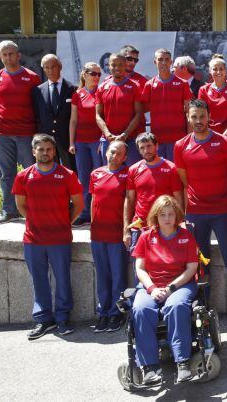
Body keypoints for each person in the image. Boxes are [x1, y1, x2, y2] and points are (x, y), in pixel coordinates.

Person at [174, 99, 227, 325]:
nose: (199, 121)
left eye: (202, 116)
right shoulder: (180, 146)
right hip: (196, 213)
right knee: (199, 262)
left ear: (209, 116)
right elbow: (185, 181)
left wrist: (225, 196)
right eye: (194, 117)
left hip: (223, 211)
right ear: (187, 117)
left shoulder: (223, 142)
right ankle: (201, 310)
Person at [12, 134, 84, 340]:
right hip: (33, 239)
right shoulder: (23, 176)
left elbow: (78, 204)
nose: (45, 153)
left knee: (62, 280)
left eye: (49, 149)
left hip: (60, 238)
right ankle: (43, 320)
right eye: (41, 149)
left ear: (54, 151)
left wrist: (64, 222)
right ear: (33, 151)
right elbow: (21, 205)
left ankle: (62, 318)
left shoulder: (68, 174)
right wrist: (36, 221)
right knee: (39, 280)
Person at [131, 195, 199, 385]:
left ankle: (182, 362)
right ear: (156, 216)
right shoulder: (146, 237)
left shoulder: (186, 236)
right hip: (151, 284)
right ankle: (150, 367)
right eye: (162, 215)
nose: (167, 218)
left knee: (176, 306)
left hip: (179, 284)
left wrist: (170, 288)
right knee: (140, 309)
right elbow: (140, 269)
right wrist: (152, 289)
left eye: (170, 214)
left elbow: (191, 268)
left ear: (177, 216)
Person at [0, 40, 41, 224]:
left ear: (18, 55)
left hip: (27, 133)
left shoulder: (32, 77)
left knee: (31, 173)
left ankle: (33, 210)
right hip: (2, 134)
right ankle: (9, 211)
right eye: (5, 54)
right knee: (7, 174)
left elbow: (37, 106)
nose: (8, 57)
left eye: (11, 54)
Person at [88, 140, 129, 333]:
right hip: (98, 234)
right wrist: (91, 225)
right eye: (112, 152)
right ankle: (103, 312)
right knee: (102, 276)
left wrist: (126, 230)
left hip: (116, 233)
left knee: (118, 276)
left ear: (124, 158)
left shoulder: (127, 175)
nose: (114, 156)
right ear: (106, 153)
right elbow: (93, 200)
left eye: (119, 153)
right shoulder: (95, 174)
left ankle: (116, 313)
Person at [123, 133, 183, 253]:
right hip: (139, 226)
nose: (146, 150)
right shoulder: (133, 170)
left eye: (149, 146)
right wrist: (126, 229)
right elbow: (129, 200)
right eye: (142, 147)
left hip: (165, 227)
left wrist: (179, 223)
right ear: (138, 150)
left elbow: (178, 198)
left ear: (157, 146)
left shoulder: (171, 168)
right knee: (139, 268)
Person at [140, 48, 192, 161]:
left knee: (177, 172)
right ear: (155, 62)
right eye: (160, 59)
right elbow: (140, 110)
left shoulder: (183, 84)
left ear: (171, 62)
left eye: (167, 59)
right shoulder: (149, 85)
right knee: (161, 173)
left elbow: (189, 112)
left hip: (178, 139)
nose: (163, 62)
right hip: (157, 140)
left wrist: (189, 137)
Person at [69, 62, 104, 227]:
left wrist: (103, 139)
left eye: (99, 74)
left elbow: (105, 118)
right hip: (81, 142)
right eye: (93, 73)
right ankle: (83, 213)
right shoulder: (78, 94)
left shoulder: (103, 91)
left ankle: (97, 212)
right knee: (83, 178)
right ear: (84, 74)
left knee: (98, 178)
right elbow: (73, 120)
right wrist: (71, 142)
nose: (96, 77)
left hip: (97, 141)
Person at [95, 53, 144, 166]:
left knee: (132, 173)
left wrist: (125, 134)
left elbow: (138, 113)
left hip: (131, 139)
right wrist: (107, 134)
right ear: (109, 66)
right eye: (114, 65)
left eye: (120, 64)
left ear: (125, 65)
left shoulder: (134, 86)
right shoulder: (102, 87)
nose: (117, 68)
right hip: (108, 140)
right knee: (110, 174)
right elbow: (98, 115)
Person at [32, 54, 76, 170]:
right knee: (49, 170)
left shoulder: (73, 89)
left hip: (67, 139)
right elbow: (37, 115)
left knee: (71, 171)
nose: (50, 70)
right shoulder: (38, 91)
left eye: (53, 67)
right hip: (46, 140)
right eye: (47, 68)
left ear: (60, 67)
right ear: (43, 69)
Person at [198, 56, 227, 139]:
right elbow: (201, 114)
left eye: (221, 69)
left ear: (225, 71)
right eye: (215, 69)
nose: (218, 72)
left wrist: (225, 135)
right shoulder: (203, 89)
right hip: (209, 135)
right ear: (210, 71)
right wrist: (207, 133)